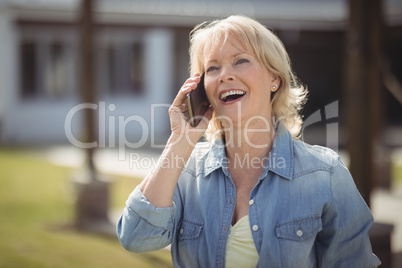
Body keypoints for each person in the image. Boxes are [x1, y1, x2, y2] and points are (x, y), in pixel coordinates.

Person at [117, 15, 381, 268]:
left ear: (274, 79)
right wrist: (181, 140)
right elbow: (136, 237)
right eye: (212, 68)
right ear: (200, 89)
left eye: (241, 61)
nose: (224, 75)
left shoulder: (326, 173)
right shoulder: (184, 172)